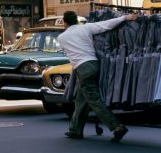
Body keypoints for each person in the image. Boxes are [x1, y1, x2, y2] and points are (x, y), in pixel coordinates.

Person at [58, 11, 137, 142]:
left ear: (64, 22)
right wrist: (125, 17)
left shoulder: (62, 38)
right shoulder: (86, 28)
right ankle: (75, 130)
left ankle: (117, 127)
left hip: (82, 68)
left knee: (94, 100)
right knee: (81, 99)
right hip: (94, 64)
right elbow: (105, 25)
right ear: (77, 20)